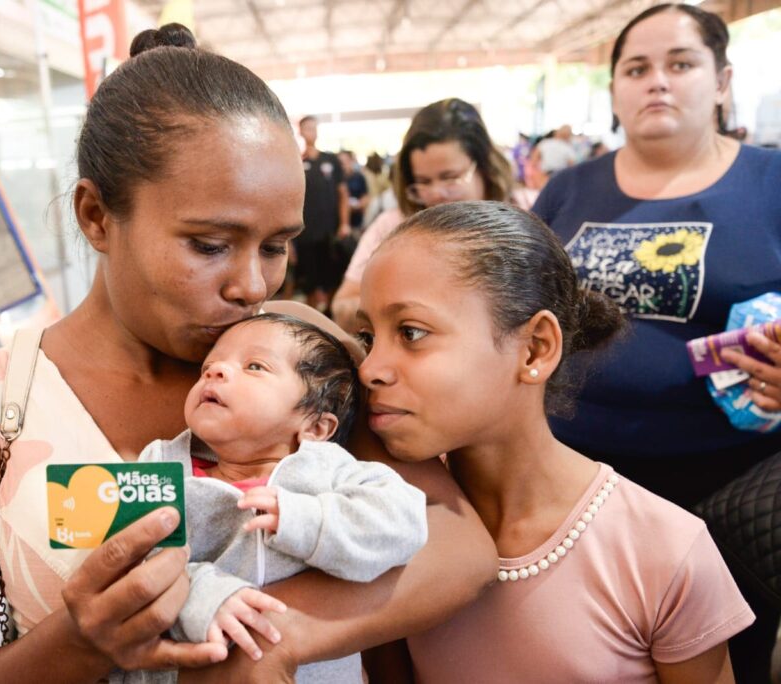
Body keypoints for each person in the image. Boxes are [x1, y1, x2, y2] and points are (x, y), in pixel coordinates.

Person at [0, 23, 495, 684]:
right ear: (96, 215)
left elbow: (456, 544)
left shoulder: (296, 350)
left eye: (274, 245)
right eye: (210, 245)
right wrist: (77, 644)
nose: (253, 285)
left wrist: (266, 635)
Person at [355, 200, 754, 682]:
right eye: (367, 336)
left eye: (411, 332)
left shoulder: (663, 550)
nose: (370, 368)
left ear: (535, 348)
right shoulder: (381, 527)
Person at [530, 5, 781, 679]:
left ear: (722, 81)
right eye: (637, 69)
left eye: (681, 64)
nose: (657, 83)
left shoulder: (771, 182)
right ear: (615, 89)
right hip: (579, 483)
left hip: (732, 488)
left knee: (730, 660)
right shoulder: (569, 190)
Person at [117, 313, 427, 682]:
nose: (215, 373)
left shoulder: (329, 471)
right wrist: (201, 593)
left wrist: (306, 518)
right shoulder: (161, 466)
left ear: (315, 426)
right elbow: (129, 567)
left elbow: (404, 523)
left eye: (254, 366)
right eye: (208, 367)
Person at [331, 98, 516, 333]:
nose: (437, 194)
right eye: (423, 183)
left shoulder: (523, 217)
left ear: (484, 167)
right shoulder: (392, 226)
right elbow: (343, 307)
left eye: (451, 178)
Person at [295, 115, 351, 312]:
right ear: (300, 131)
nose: (311, 131)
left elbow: (343, 194)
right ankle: (311, 316)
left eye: (314, 127)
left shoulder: (330, 159)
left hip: (330, 231)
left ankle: (329, 313)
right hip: (305, 232)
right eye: (307, 127)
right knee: (309, 278)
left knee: (332, 276)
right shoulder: (296, 160)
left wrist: (344, 223)